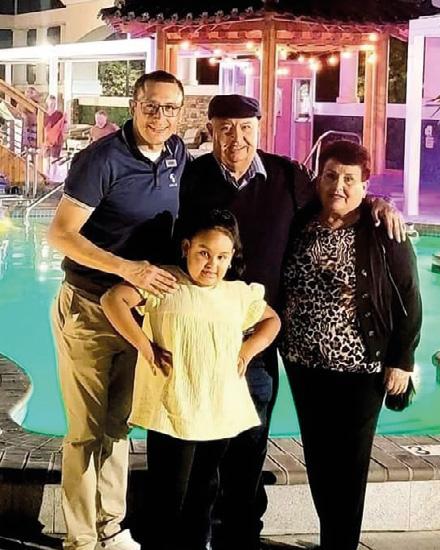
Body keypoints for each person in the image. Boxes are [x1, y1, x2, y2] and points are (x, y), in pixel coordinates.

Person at [177, 94, 407, 550]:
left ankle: (240, 538)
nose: (236, 138)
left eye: (246, 127)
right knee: (199, 448)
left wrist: (377, 203)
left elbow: (336, 199)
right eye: (226, 128)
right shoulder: (191, 176)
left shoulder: (285, 176)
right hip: (199, 334)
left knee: (249, 447)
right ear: (210, 129)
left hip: (258, 340)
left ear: (259, 129)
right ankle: (193, 539)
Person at [47, 70, 188, 550]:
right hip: (88, 309)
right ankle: (81, 539)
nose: (160, 116)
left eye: (170, 108)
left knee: (119, 426)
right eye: (151, 106)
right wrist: (127, 268)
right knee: (85, 432)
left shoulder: (176, 154)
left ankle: (111, 527)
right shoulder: (101, 159)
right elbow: (61, 233)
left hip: (136, 313)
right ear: (134, 105)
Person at [101, 209, 281, 550]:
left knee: (205, 489)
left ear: (231, 257)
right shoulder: (166, 282)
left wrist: (246, 352)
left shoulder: (237, 293)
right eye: (203, 253)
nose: (212, 263)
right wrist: (145, 346)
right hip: (174, 409)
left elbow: (272, 320)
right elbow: (113, 300)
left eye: (222, 257)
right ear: (186, 248)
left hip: (217, 411)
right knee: (169, 492)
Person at [279, 140, 422, 550]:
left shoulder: (382, 230)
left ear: (364, 185)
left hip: (361, 369)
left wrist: (402, 359)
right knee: (319, 460)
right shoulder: (301, 221)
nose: (338, 186)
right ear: (318, 179)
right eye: (330, 176)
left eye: (349, 179)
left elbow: (409, 295)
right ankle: (333, 541)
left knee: (349, 465)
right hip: (304, 364)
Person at [44, 95, 68, 182]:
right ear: (47, 103)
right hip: (46, 140)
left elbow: (64, 125)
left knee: (54, 160)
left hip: (57, 140)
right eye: (51, 103)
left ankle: (53, 178)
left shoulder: (59, 114)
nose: (52, 105)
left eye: (54, 104)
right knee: (46, 159)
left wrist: (64, 134)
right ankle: (46, 177)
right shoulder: (44, 114)